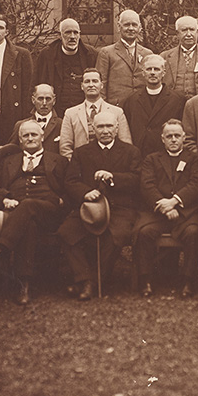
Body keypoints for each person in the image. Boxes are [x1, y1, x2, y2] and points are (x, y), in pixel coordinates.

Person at [56, 110, 143, 300]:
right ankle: (84, 278)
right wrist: (85, 192)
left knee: (115, 236)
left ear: (117, 128)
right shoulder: (82, 152)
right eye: (101, 126)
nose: (105, 131)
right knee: (66, 232)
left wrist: (113, 178)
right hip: (89, 207)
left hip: (120, 208)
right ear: (93, 128)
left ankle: (91, 282)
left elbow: (137, 180)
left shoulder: (131, 152)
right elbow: (70, 181)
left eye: (109, 126)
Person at [0, 120, 69, 305]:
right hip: (18, 213)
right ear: (20, 140)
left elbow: (70, 188)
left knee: (28, 205)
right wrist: (4, 198)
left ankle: (1, 250)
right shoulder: (8, 161)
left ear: (42, 137)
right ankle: (25, 286)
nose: (30, 138)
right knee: (28, 224)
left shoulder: (58, 161)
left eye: (34, 135)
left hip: (49, 212)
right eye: (26, 136)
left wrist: (61, 200)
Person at [134, 119, 198, 298]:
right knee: (144, 233)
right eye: (169, 136)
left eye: (177, 136)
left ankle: (188, 280)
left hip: (185, 213)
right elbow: (147, 185)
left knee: (193, 232)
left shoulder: (195, 159)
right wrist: (164, 207)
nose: (173, 140)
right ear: (162, 139)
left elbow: (196, 185)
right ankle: (146, 280)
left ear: (183, 137)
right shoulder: (151, 159)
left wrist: (174, 201)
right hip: (157, 214)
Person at [122, 55, 186, 160]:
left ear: (163, 73)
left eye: (156, 69)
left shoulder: (178, 100)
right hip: (141, 156)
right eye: (148, 69)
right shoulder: (132, 100)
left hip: (168, 156)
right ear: (143, 73)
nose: (152, 72)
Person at [58, 68, 132, 159]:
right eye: (87, 81)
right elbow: (65, 147)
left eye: (95, 81)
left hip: (112, 166)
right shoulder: (71, 113)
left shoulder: (117, 112)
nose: (91, 85)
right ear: (82, 86)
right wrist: (75, 165)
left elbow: (126, 143)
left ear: (101, 85)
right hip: (81, 167)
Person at [33, 18, 98, 114]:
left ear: (79, 35)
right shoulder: (47, 55)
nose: (72, 37)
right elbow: (35, 83)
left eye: (76, 33)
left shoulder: (91, 54)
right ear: (60, 35)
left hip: (84, 110)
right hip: (56, 111)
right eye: (68, 32)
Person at [95, 9, 155, 107]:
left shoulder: (147, 54)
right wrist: (104, 108)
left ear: (139, 28)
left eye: (134, 25)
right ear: (119, 27)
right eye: (127, 25)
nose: (131, 28)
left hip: (142, 108)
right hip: (116, 108)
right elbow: (101, 85)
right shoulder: (107, 53)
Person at [160, 16, 198, 98]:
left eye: (192, 30)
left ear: (197, 32)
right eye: (184, 30)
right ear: (177, 33)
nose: (189, 34)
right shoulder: (164, 57)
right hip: (172, 105)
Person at [6, 84, 63, 155]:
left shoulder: (62, 125)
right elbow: (12, 152)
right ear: (33, 100)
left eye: (48, 99)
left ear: (54, 101)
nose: (44, 103)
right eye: (40, 99)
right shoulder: (21, 125)